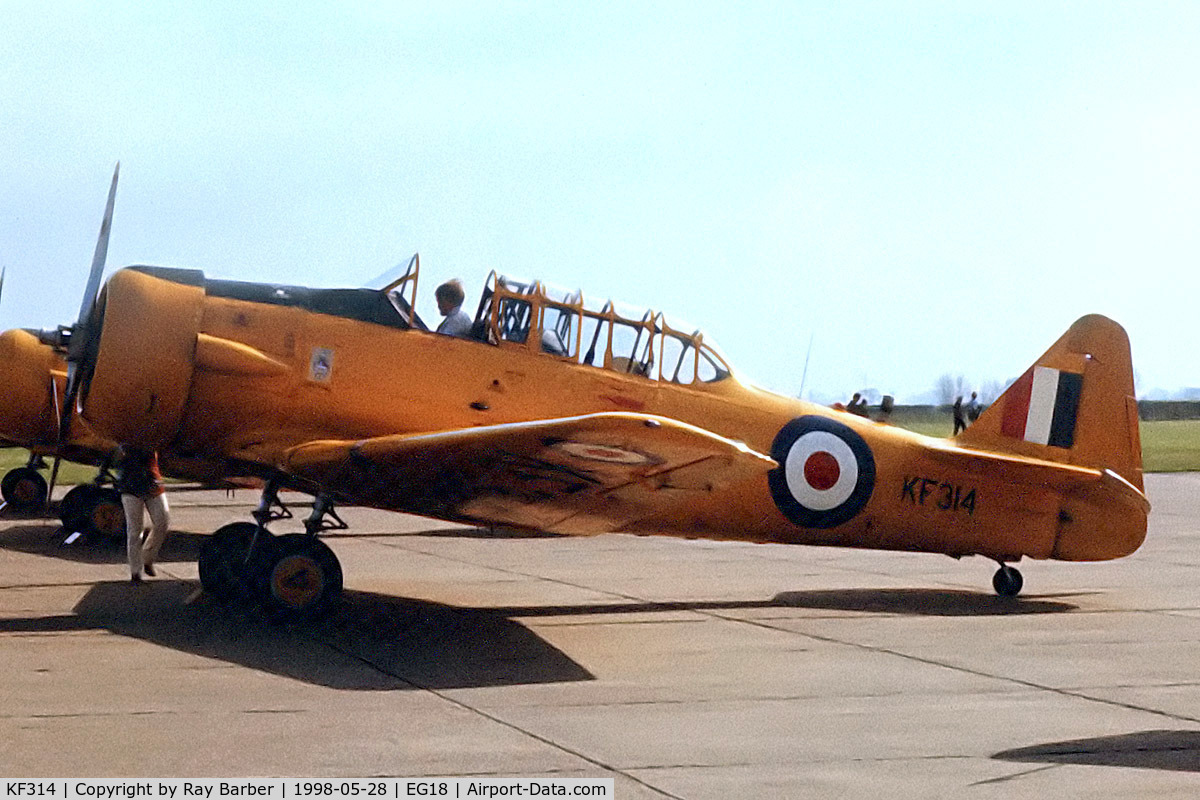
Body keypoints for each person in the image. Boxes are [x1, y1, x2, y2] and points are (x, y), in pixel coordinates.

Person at [114, 445, 169, 583]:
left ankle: (148, 557)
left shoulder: (150, 436)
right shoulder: (125, 441)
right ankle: (135, 572)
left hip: (152, 483)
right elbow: (118, 457)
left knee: (163, 521)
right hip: (130, 486)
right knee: (134, 530)